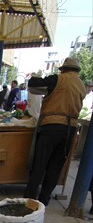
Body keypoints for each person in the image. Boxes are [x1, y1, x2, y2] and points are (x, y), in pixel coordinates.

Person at [23, 57, 86, 206]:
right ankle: (44, 200)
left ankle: (29, 199)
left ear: (63, 69)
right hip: (70, 129)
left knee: (39, 165)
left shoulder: (58, 79)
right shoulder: (82, 85)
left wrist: (34, 76)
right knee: (55, 167)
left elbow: (33, 86)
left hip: (51, 126)